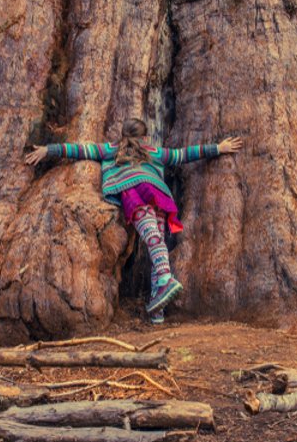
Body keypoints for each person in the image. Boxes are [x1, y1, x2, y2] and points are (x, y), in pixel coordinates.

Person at [24, 119, 242, 324]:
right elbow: (182, 154)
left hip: (134, 194)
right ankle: (158, 310)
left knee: (152, 239)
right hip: (156, 192)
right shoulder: (154, 152)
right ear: (145, 137)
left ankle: (166, 279)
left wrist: (48, 150)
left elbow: (78, 150)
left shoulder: (111, 150)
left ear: (123, 135)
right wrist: (218, 148)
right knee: (157, 242)